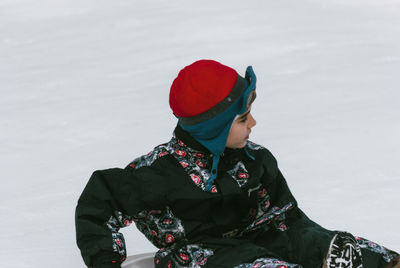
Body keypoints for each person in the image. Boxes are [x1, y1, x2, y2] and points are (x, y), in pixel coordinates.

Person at [75, 60, 399, 268]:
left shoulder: (256, 159)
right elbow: (100, 203)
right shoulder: (157, 174)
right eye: (243, 118)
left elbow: (289, 222)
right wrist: (106, 260)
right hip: (202, 257)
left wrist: (323, 249)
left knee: (344, 253)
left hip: (263, 241)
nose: (254, 123)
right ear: (213, 129)